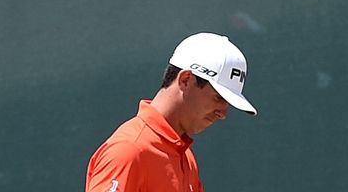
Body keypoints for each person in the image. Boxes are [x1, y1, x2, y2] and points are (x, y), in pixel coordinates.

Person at [85, 32, 257, 192]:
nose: (223, 113)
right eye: (219, 98)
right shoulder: (128, 151)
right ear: (186, 80)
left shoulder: (186, 157)